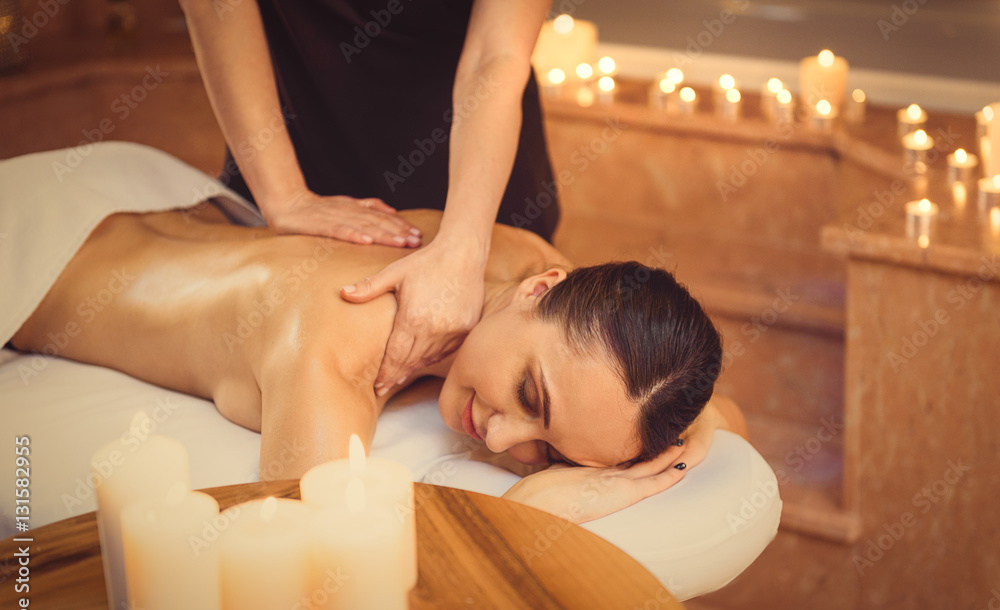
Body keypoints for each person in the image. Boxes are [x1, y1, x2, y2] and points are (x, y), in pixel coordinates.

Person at [7, 152, 745, 524]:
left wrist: (650, 440)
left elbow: (716, 414)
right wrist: (538, 504)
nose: (497, 441)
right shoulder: (340, 340)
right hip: (35, 250)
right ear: (541, 291)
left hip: (143, 197)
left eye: (542, 449)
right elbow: (312, 554)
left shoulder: (523, 266)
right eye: (527, 396)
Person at [179, 0, 560, 402]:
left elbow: (494, 56)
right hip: (288, 143)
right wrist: (285, 196)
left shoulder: (530, 281)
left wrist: (464, 249)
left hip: (478, 177)